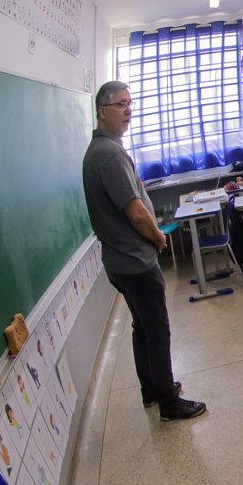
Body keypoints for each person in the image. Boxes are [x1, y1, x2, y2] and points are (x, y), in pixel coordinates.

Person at [81, 82, 205, 421]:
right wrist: (159, 238)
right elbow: (136, 213)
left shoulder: (101, 150)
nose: (128, 111)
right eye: (120, 104)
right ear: (102, 111)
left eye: (130, 103)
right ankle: (168, 403)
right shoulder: (109, 154)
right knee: (157, 330)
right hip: (135, 261)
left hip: (120, 261)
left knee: (143, 326)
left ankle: (151, 389)